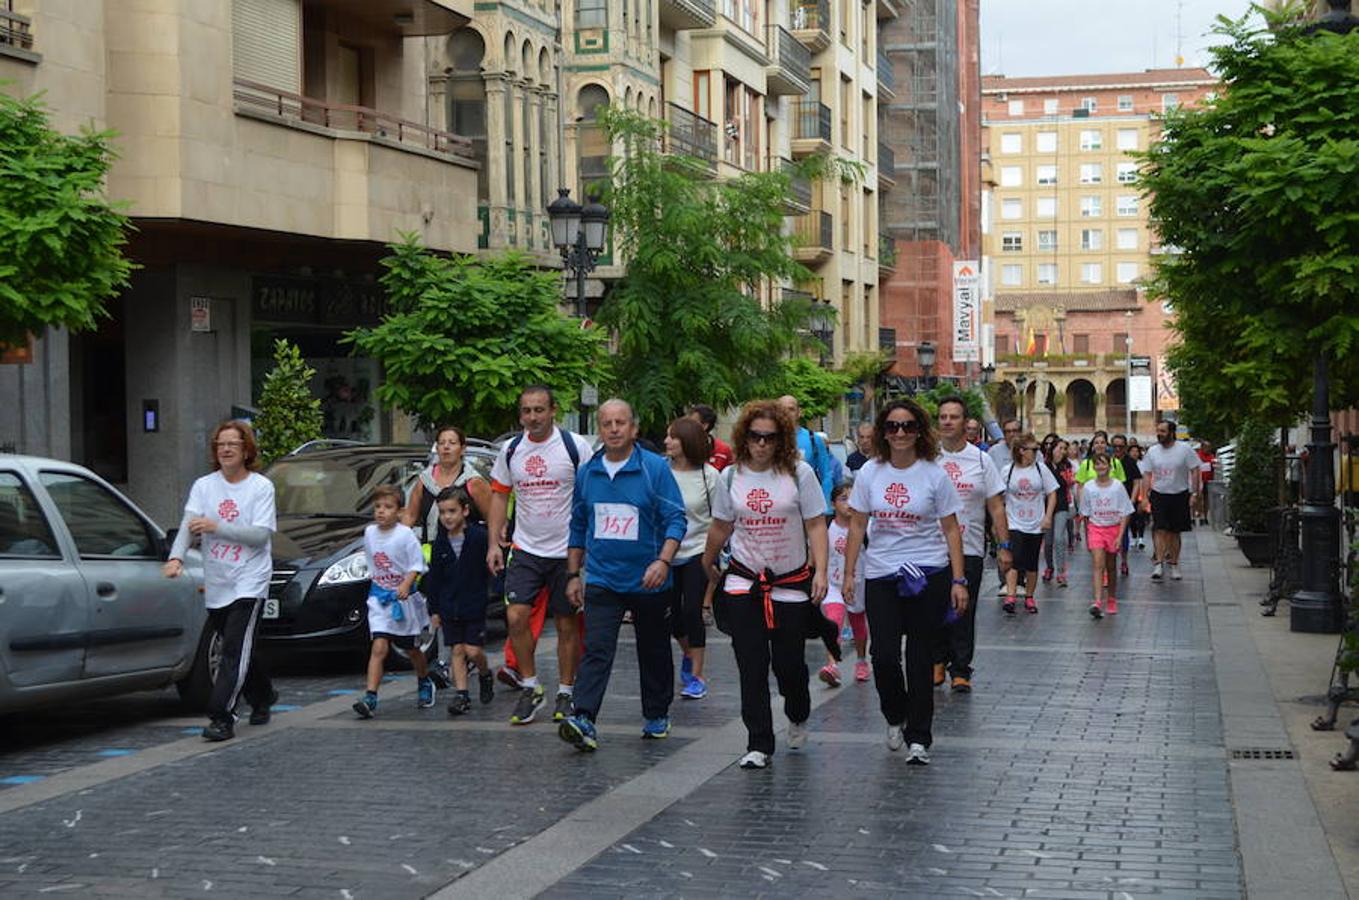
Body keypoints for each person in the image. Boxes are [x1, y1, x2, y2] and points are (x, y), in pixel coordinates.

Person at [701, 400, 829, 770]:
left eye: (769, 438)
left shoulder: (799, 474)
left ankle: (798, 709)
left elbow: (816, 524)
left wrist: (820, 571)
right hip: (744, 582)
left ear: (781, 440)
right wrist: (706, 562)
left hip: (789, 584)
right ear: (745, 437)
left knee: (789, 664)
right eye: (755, 436)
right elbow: (722, 526)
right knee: (751, 664)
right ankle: (759, 742)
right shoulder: (731, 476)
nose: (761, 444)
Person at [557, 400, 688, 752]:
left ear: (634, 428)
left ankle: (656, 713)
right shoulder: (588, 472)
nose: (614, 429)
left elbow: (676, 519)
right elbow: (579, 524)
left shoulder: (654, 470)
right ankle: (583, 717)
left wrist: (662, 561)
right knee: (597, 648)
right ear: (600, 430)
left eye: (620, 423)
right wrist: (573, 574)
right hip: (602, 579)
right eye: (607, 423)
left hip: (649, 580)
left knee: (653, 649)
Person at [843, 399, 968, 765]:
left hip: (927, 572)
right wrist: (849, 573)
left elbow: (951, 528)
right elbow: (857, 524)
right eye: (893, 426)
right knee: (883, 655)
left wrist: (958, 579)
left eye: (908, 426)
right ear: (883, 431)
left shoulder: (934, 474)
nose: (900, 433)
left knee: (919, 657)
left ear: (919, 431)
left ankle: (919, 737)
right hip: (882, 573)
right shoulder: (869, 472)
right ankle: (894, 713)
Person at [487, 385, 595, 725]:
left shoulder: (575, 447)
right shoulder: (510, 450)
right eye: (526, 411)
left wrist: (589, 543)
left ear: (553, 411)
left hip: (566, 551)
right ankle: (531, 687)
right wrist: (493, 542)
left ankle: (566, 690)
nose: (532, 417)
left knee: (566, 624)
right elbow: (500, 496)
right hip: (526, 549)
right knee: (516, 617)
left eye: (539, 410)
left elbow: (591, 493)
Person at [163, 420, 277, 742]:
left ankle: (222, 716)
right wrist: (176, 558)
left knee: (232, 648)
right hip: (218, 578)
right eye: (220, 444)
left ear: (246, 450)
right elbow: (188, 524)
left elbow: (259, 536)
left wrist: (216, 527)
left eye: (233, 444)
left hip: (250, 578)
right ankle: (263, 695)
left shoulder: (260, 487)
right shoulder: (204, 486)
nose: (226, 449)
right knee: (241, 648)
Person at [403, 424, 492, 687]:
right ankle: (446, 662)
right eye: (442, 442)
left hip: (468, 555)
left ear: (462, 449)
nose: (446, 447)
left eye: (452, 443)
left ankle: (471, 658)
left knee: (464, 607)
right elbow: (410, 514)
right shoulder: (424, 480)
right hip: (437, 551)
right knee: (440, 604)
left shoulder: (474, 482)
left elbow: (492, 517)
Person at [934, 396, 1011, 693]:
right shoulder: (929, 457)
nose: (948, 422)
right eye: (943, 416)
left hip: (970, 547)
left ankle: (961, 668)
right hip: (933, 548)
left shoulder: (981, 460)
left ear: (966, 423)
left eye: (954, 417)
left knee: (964, 608)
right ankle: (937, 659)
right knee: (935, 607)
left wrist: (1004, 545)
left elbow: (996, 507)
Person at [353, 485, 434, 717]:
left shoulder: (405, 535)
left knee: (411, 648)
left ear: (399, 511)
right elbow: (373, 564)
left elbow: (416, 564)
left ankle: (424, 679)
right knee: (379, 646)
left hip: (403, 599)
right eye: (377, 507)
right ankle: (370, 696)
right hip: (380, 599)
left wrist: (406, 585)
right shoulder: (369, 533)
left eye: (388, 507)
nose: (381, 511)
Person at [422, 487, 494, 715]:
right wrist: (434, 610)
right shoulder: (440, 545)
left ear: (465, 510)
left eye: (452, 511)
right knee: (456, 650)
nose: (447, 517)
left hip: (474, 604)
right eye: (442, 513)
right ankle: (462, 695)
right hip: (449, 606)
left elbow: (491, 568)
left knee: (473, 651)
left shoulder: (479, 538)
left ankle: (484, 673)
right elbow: (435, 579)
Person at [662, 415, 719, 700]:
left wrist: (713, 557)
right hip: (665, 555)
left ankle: (696, 675)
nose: (667, 442)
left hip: (699, 551)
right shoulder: (660, 471)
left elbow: (721, 519)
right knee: (672, 617)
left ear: (687, 441)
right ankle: (687, 652)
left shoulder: (709, 476)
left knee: (691, 611)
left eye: (673, 437)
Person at [1000, 432, 1058, 615]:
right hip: (1014, 521)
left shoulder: (1041, 469)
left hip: (1035, 522)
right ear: (1022, 451)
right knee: (1015, 558)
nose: (1036, 452)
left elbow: (1052, 493)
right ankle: (1011, 595)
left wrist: (1048, 516)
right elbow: (999, 498)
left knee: (1032, 562)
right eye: (1033, 449)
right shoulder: (1007, 471)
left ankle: (1029, 596)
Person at [820, 483, 870, 686]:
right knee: (834, 619)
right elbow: (818, 554)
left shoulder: (865, 527)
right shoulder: (826, 527)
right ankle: (832, 664)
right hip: (834, 583)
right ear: (833, 504)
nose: (848, 503)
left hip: (859, 582)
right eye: (843, 498)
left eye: (852, 498)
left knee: (858, 624)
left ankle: (861, 660)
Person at [1143, 419, 1201, 581]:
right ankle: (1159, 564)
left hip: (1179, 494)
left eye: (1162, 431)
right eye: (1158, 431)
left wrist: (1194, 493)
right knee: (1160, 529)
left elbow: (1195, 470)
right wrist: (1145, 496)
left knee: (1175, 531)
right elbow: (1147, 474)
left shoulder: (1185, 450)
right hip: (1159, 494)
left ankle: (1174, 564)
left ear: (1171, 432)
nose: (1159, 434)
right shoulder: (1152, 451)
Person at [1078, 452, 1134, 618]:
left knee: (1111, 566)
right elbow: (1086, 514)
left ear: (1110, 466)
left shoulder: (1117, 486)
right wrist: (1088, 535)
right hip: (1096, 528)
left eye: (1103, 464)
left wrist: (1120, 535)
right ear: (1094, 467)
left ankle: (1111, 598)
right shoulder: (1088, 487)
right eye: (1097, 464)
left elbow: (1125, 512)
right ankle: (1097, 601)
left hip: (1113, 528)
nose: (1100, 467)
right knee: (1097, 564)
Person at [778, 395, 837, 512]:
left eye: (791, 409)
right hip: (778, 506)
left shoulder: (813, 440)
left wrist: (825, 506)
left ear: (799, 413)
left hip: (807, 506)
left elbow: (826, 474)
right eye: (781, 409)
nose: (786, 413)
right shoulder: (769, 439)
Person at [1042, 438, 1074, 588]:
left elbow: (1069, 484)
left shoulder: (1066, 466)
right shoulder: (1044, 466)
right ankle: (1050, 567)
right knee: (1048, 542)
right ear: (1052, 449)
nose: (1062, 451)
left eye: (1064, 449)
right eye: (1060, 448)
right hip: (1046, 507)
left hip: (1061, 505)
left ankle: (1061, 571)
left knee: (1059, 538)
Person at [1111, 433, 1143, 576]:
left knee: (1123, 532)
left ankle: (1123, 560)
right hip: (1108, 503)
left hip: (1125, 502)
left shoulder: (1130, 462)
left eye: (1121, 446)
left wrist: (1132, 500)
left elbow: (1137, 482)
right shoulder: (1107, 460)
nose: (1117, 449)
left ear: (1125, 447)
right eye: (1115, 446)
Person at [688, 403, 734, 471]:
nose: (688, 426)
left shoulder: (723, 450)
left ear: (705, 426)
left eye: (692, 422)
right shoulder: (683, 448)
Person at [1127, 444, 1149, 549]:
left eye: (1137, 451)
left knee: (1141, 515)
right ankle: (1133, 536)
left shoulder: (1143, 464)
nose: (1135, 453)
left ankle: (1141, 537)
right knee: (1132, 516)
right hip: (1129, 493)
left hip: (1141, 492)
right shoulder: (1127, 464)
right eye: (1132, 451)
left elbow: (1145, 479)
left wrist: (1145, 494)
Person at [1195, 441, 1216, 526]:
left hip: (1208, 480)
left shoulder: (1211, 456)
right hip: (1200, 480)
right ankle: (1199, 516)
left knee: (1207, 498)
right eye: (1207, 447)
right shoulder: (1197, 456)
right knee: (1199, 498)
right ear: (1202, 447)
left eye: (1209, 448)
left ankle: (1205, 517)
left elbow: (1213, 466)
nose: (1208, 449)